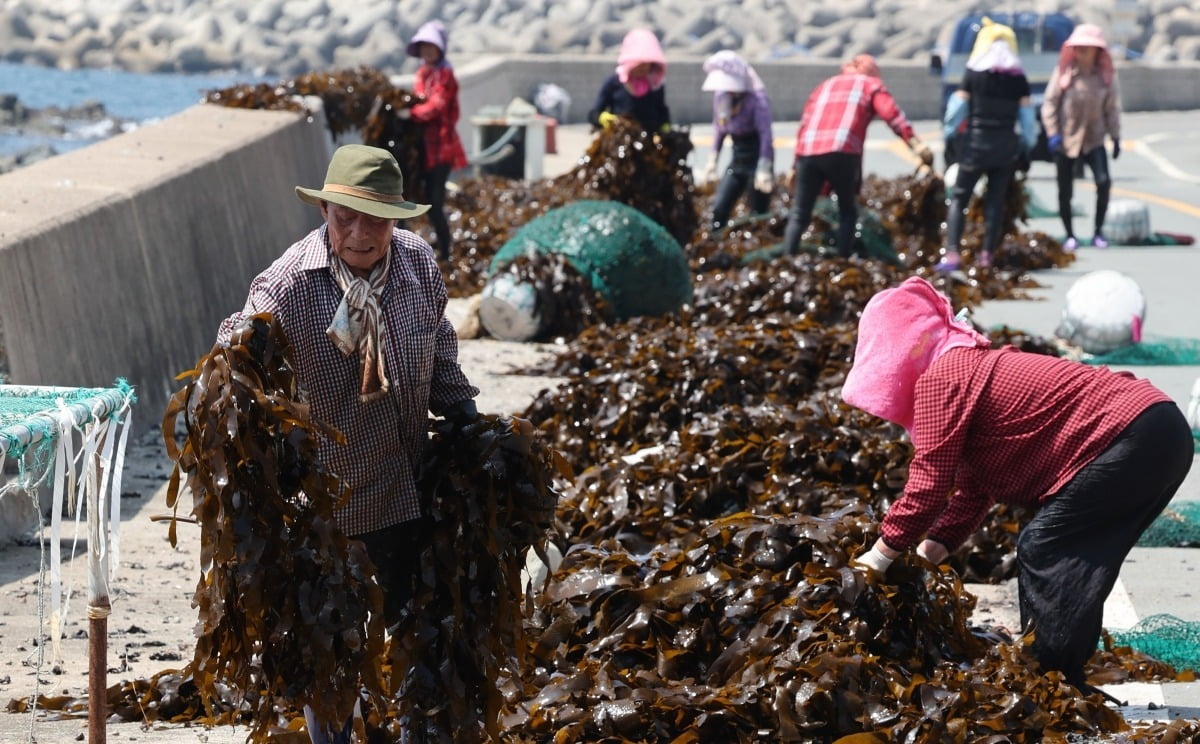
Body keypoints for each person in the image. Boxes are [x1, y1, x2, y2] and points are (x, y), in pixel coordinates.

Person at [217, 144, 480, 744]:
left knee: (422, 646)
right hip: (323, 509)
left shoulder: (416, 265)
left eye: (377, 219)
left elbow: (438, 345)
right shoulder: (289, 287)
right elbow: (235, 358)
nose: (360, 233)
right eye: (346, 217)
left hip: (403, 492)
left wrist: (463, 410)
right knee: (329, 658)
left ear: (399, 220)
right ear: (325, 213)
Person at [842, 276, 1192, 697]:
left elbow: (929, 482)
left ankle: (1052, 679)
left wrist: (878, 557)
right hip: (1159, 431)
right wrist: (923, 557)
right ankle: (1058, 676)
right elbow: (973, 495)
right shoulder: (964, 369)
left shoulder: (942, 377)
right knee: (1069, 551)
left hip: (1135, 434)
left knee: (1044, 545)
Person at [781, 54, 933, 258]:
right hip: (843, 150)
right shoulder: (870, 85)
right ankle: (843, 257)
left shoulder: (826, 85)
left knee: (800, 212)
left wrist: (794, 166)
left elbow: (804, 124)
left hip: (809, 152)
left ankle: (788, 256)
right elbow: (891, 114)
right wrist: (916, 144)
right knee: (847, 209)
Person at [936, 18, 1038, 272]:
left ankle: (952, 253)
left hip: (975, 144)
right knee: (995, 202)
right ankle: (986, 256)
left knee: (960, 198)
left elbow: (956, 111)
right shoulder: (1018, 78)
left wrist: (948, 135)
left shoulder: (973, 74)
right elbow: (1027, 120)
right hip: (1005, 147)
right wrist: (1027, 145)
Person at [1041, 23, 1122, 252]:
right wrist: (1053, 133)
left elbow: (1112, 108)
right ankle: (1070, 234)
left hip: (1094, 138)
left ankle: (1098, 231)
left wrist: (1115, 137)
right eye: (1079, 47)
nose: (1083, 52)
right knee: (1065, 189)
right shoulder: (1065, 73)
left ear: (1098, 51)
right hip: (1067, 139)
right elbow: (1050, 103)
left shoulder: (1105, 76)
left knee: (1103, 182)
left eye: (1088, 47)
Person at [399, 20, 468, 261]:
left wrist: (411, 114)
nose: (427, 52)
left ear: (441, 49)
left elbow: (436, 106)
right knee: (405, 198)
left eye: (432, 47)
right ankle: (405, 250)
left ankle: (446, 253)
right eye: (423, 47)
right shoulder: (422, 72)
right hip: (422, 149)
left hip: (441, 149)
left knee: (434, 203)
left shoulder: (445, 74)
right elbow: (418, 98)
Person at [700, 49, 775, 231]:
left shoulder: (757, 99)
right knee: (719, 208)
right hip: (737, 157)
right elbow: (719, 128)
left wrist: (764, 167)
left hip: (757, 157)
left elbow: (766, 134)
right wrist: (713, 159)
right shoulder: (721, 96)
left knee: (758, 211)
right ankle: (716, 239)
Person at [587, 28, 671, 134]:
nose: (643, 68)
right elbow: (594, 114)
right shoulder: (613, 82)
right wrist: (602, 118)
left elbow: (662, 111)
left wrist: (665, 126)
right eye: (639, 64)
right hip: (620, 139)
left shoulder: (656, 85)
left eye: (647, 64)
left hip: (648, 140)